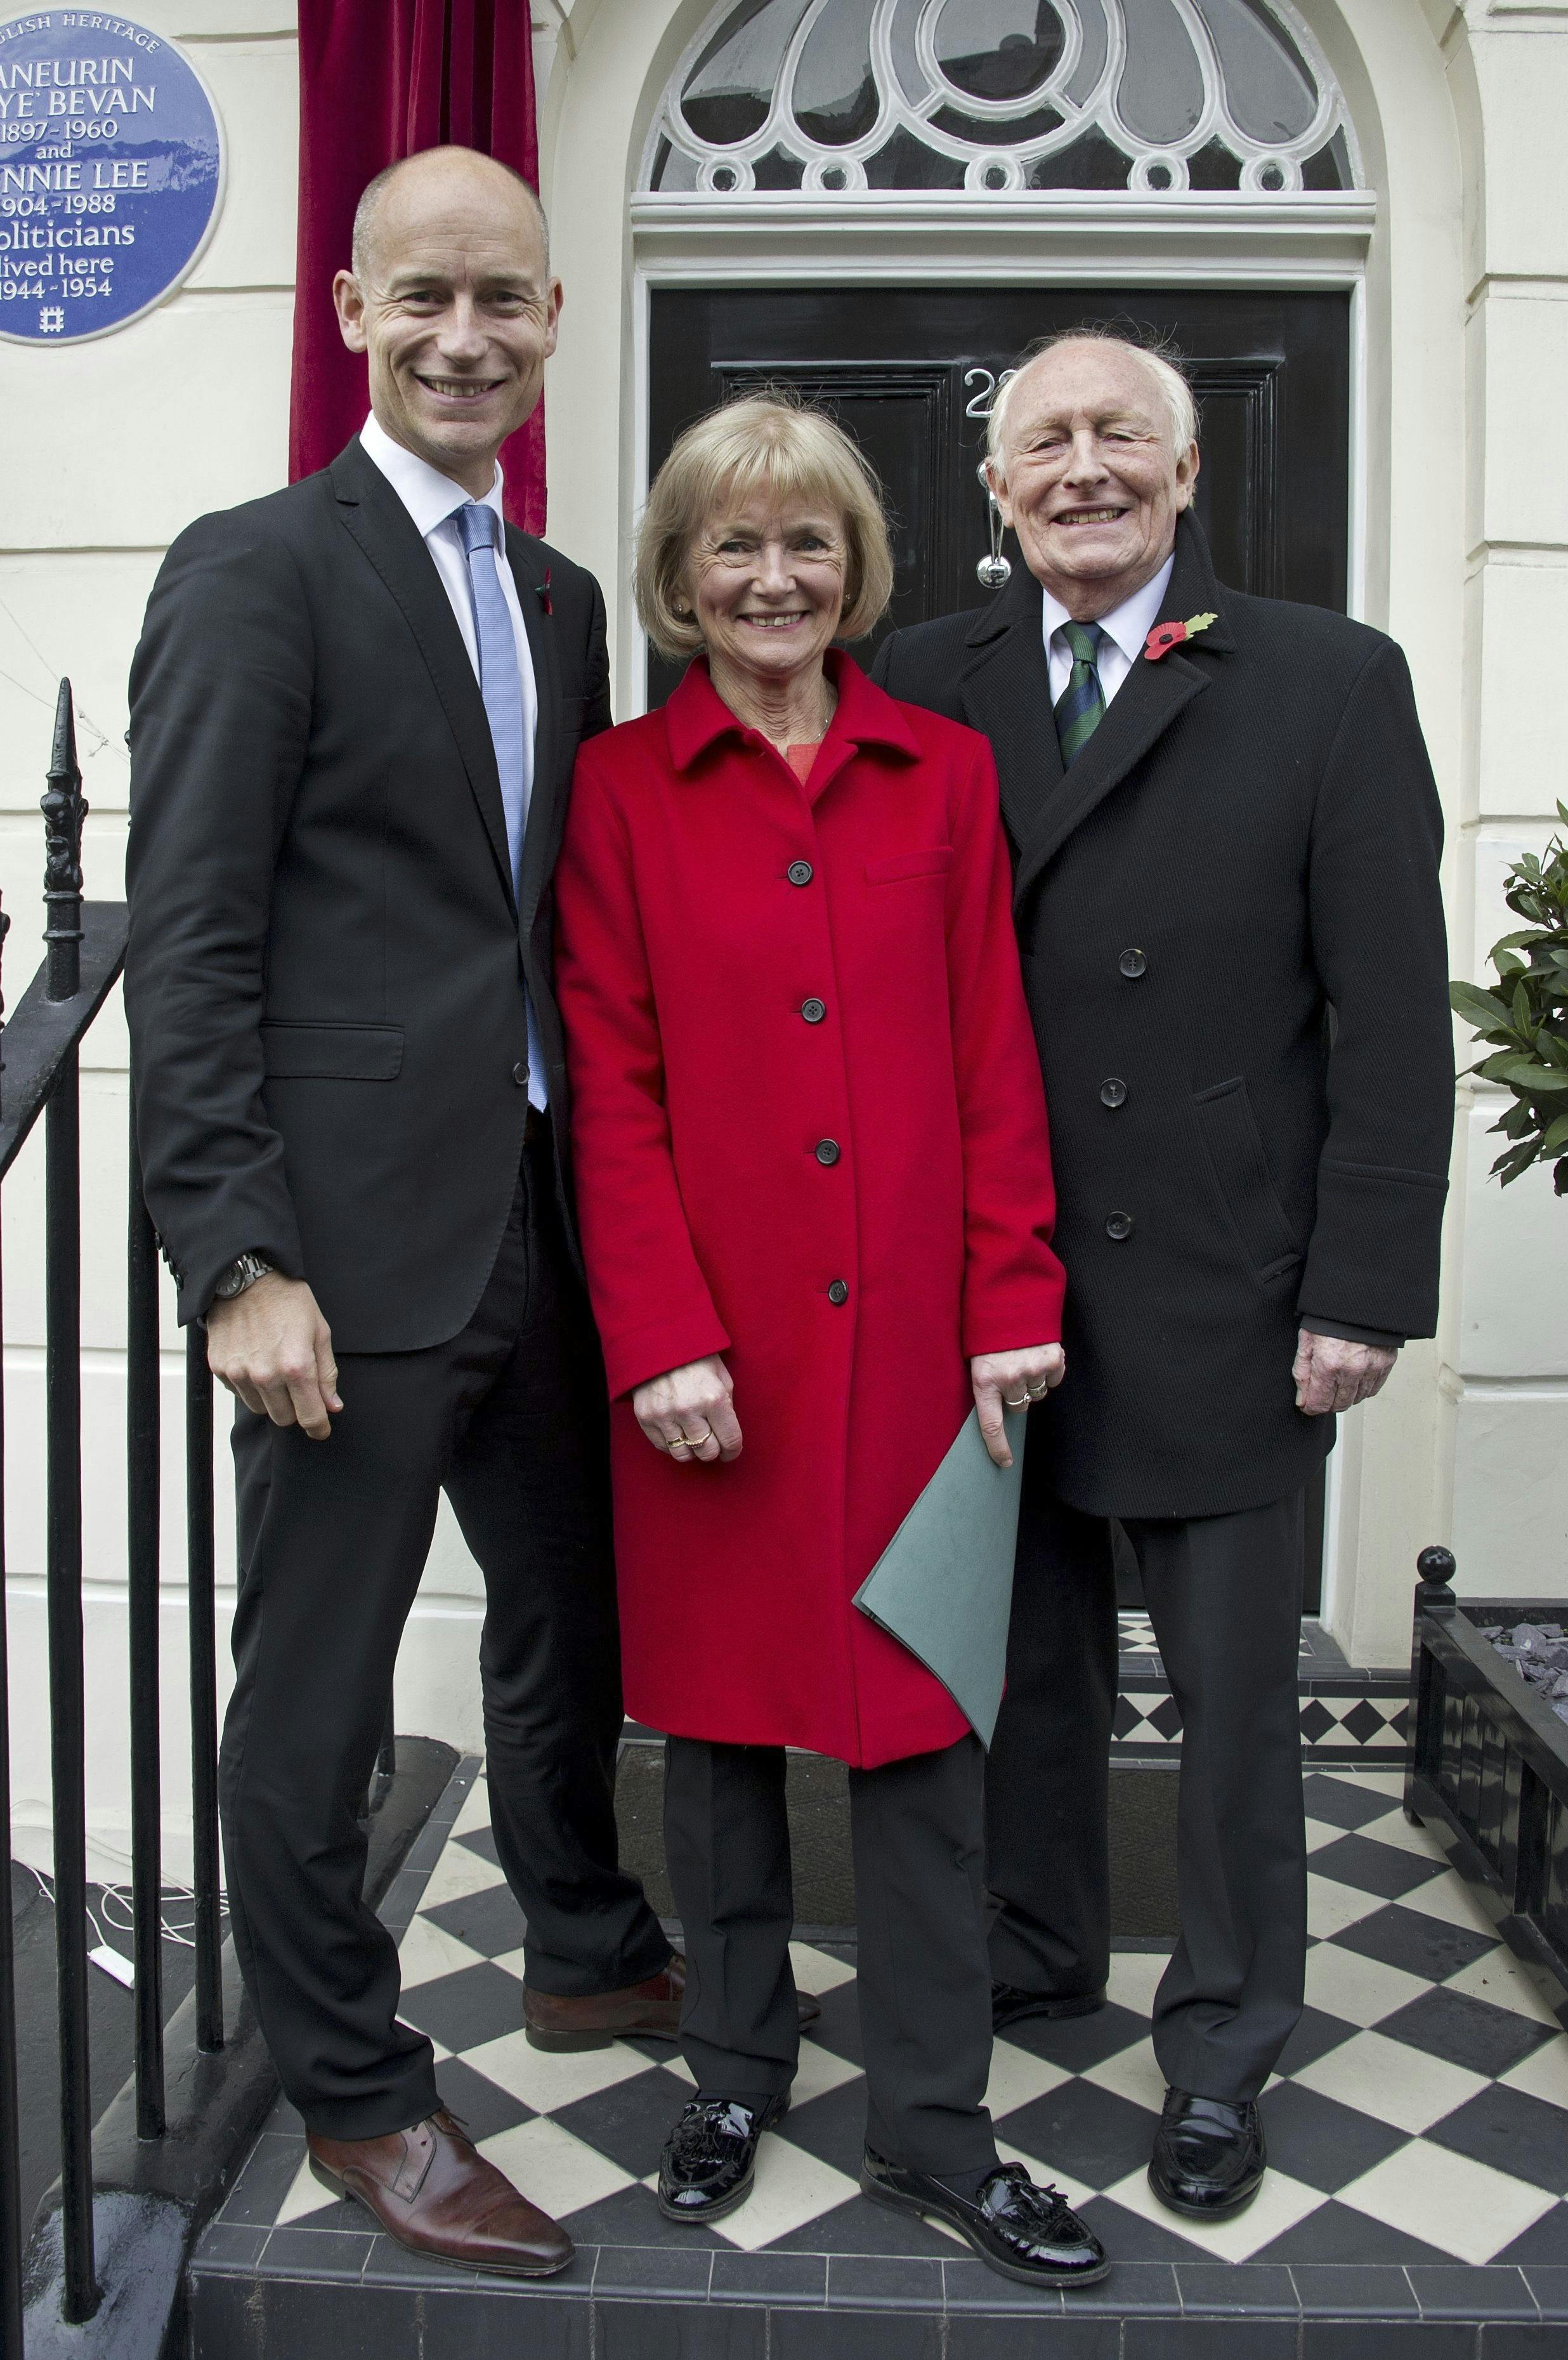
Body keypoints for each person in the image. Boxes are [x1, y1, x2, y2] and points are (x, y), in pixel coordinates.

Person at [124, 147, 684, 2278]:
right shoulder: (257, 566)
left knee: (576, 1623)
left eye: (506, 304)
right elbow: (187, 941)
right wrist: (235, 1256)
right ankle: (358, 2089)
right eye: (424, 299)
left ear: (553, 322)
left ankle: (578, 1939)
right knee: (319, 1692)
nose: (467, 339)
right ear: (353, 312)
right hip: (341, 1259)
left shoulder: (555, 601)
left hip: (540, 1225)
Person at [873, 328, 1453, 2222]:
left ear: (1191, 473)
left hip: (1226, 1280)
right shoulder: (916, 680)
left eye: (1125, 433)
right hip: (991, 1285)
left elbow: (1392, 1022)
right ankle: (1043, 1949)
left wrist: (1362, 1282)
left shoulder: (1328, 682)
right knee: (1021, 1666)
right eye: (1046, 440)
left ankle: (1220, 2046)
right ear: (994, 487)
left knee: (1228, 1710)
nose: (1085, 467)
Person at [552, 395, 1106, 2290]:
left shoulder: (943, 771)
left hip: (925, 1361)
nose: (772, 578)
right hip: (717, 1365)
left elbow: (991, 1051)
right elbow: (609, 1093)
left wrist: (1015, 1295)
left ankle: (935, 2126)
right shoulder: (622, 791)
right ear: (684, 578)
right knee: (715, 1739)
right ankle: (732, 2069)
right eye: (733, 546)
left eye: (806, 545)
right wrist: (661, 1336)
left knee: (924, 1736)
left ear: (854, 568)